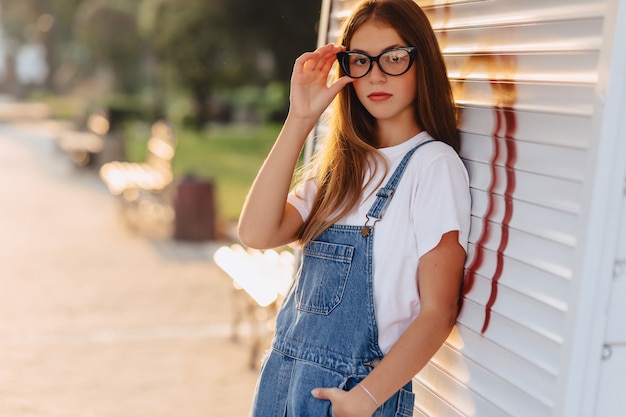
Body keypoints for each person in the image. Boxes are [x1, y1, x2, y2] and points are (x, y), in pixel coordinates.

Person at [237, 0, 471, 415]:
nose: (376, 74)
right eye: (360, 60)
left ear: (423, 62)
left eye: (394, 57)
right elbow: (255, 233)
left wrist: (362, 400)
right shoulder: (341, 169)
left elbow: (439, 310)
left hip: (352, 395)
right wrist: (300, 118)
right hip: (282, 385)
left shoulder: (432, 166)